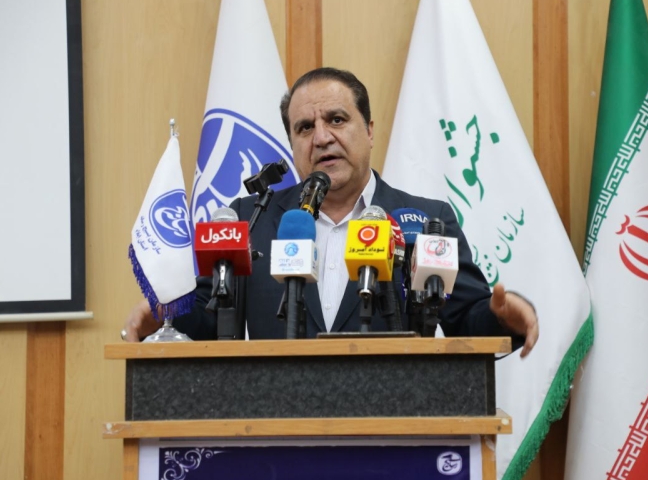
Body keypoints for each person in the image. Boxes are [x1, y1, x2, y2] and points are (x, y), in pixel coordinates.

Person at [122, 68, 539, 357]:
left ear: (369, 131)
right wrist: (164, 316)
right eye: (304, 127)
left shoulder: (425, 221)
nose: (321, 137)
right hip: (275, 434)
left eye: (337, 120)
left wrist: (503, 317)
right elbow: (207, 321)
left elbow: (468, 320)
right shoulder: (251, 220)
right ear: (292, 144)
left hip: (395, 433)